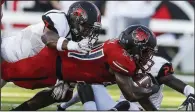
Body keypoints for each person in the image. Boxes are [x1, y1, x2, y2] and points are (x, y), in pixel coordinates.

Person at [2, 25, 159, 110]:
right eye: (146, 51)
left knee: (62, 96)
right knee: (5, 71)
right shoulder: (119, 54)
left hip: (70, 73)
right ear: (133, 46)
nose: (147, 56)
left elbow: (136, 94)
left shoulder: (120, 53)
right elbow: (131, 94)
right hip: (52, 64)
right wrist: (153, 87)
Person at [1, 1, 102, 88]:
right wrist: (74, 46)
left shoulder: (75, 39)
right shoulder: (61, 19)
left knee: (61, 91)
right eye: (87, 27)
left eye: (91, 29)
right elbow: (47, 38)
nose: (88, 33)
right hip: (6, 53)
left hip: (21, 66)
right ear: (76, 20)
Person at [57, 55, 195, 111]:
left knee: (129, 102)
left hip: (144, 110)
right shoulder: (121, 63)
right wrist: (63, 107)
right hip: (119, 107)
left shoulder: (156, 66)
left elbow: (179, 84)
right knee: (87, 80)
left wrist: (191, 94)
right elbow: (90, 85)